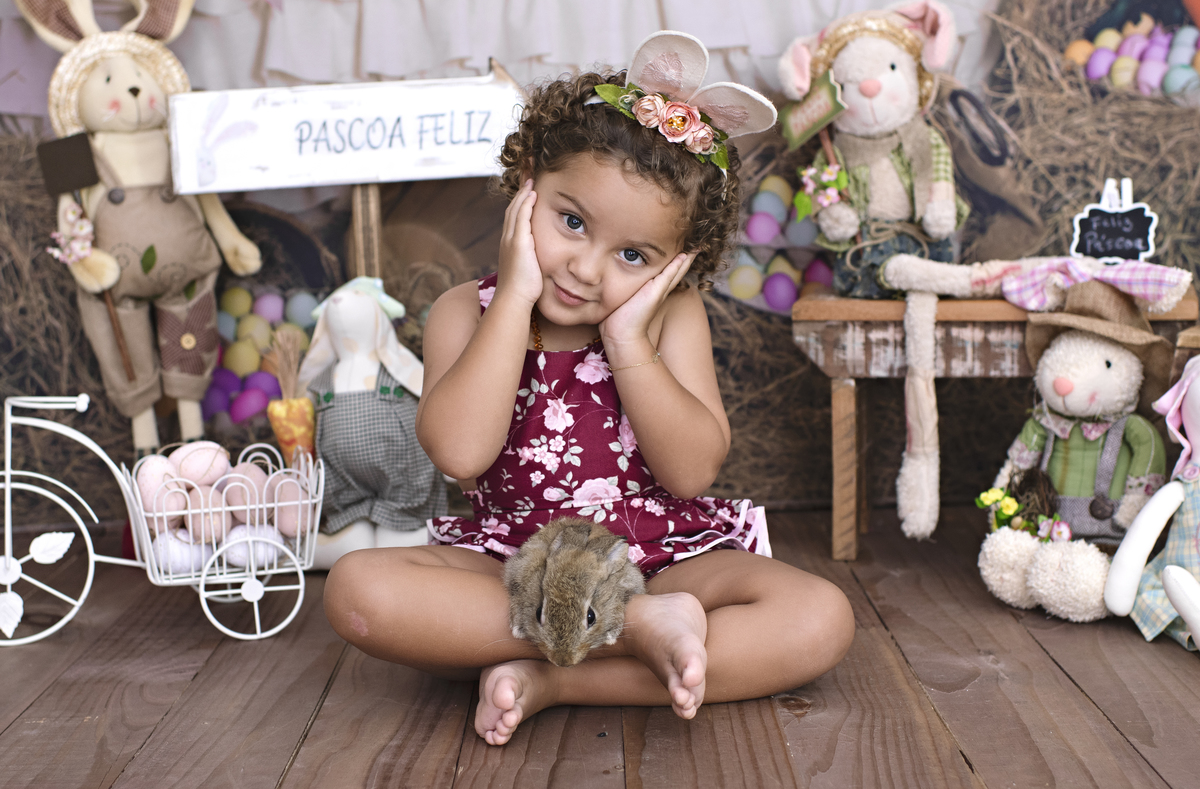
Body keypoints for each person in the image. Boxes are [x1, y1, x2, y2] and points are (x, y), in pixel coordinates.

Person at [325, 32, 855, 746]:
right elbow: (459, 454)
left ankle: (555, 678)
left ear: (678, 264)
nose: (585, 268)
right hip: (514, 570)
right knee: (358, 591)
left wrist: (630, 342)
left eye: (632, 254)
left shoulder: (672, 317)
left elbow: (692, 472)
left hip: (663, 563)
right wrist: (514, 300)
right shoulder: (466, 311)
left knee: (821, 618)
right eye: (571, 222)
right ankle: (633, 633)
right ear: (527, 185)